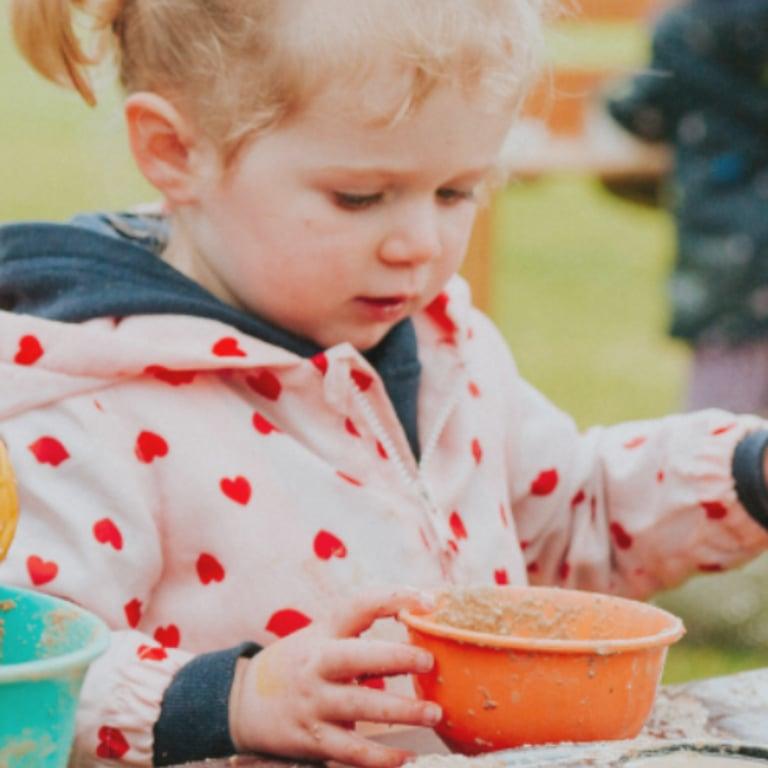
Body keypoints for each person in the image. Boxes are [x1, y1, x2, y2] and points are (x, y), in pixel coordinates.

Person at [1, 1, 768, 766]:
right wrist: (226, 700)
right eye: (359, 197)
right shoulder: (84, 400)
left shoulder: (445, 346)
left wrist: (744, 474)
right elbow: (32, 671)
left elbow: (571, 517)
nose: (420, 244)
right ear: (176, 151)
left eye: (456, 191)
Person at [605, 0, 768, 414]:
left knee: (723, 436)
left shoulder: (684, 29)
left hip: (726, 261)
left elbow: (637, 108)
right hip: (736, 255)